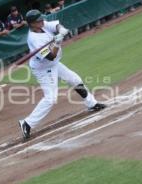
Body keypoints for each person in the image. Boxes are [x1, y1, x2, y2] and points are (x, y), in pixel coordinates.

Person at [18, 10, 107, 140]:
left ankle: (91, 103)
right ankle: (27, 123)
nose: (42, 21)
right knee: (50, 98)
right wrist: (57, 42)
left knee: (75, 80)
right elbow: (50, 56)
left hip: (54, 64)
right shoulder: (34, 39)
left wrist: (61, 30)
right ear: (32, 24)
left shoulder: (42, 25)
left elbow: (55, 25)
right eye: (39, 20)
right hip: (44, 68)